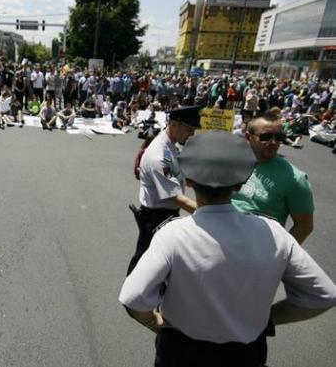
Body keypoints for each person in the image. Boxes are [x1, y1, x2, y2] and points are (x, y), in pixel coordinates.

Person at [119, 131, 336, 367]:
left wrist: (156, 322)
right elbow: (323, 296)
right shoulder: (274, 233)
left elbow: (134, 298)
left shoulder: (172, 234)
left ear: (189, 181)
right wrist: (268, 318)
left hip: (181, 351)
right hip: (245, 354)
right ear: (241, 183)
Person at [126, 106, 201, 275]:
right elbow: (177, 198)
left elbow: (180, 172)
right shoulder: (159, 155)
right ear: (174, 124)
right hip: (156, 217)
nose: (192, 134)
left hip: (165, 214)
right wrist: (210, 212)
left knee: (160, 264)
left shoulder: (170, 146)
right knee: (146, 263)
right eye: (189, 129)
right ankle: (132, 299)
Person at [231, 112, 314, 245]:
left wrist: (280, 254)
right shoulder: (230, 160)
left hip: (257, 251)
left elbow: (304, 226)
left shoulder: (295, 178)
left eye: (279, 137)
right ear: (248, 137)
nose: (274, 142)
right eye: (266, 136)